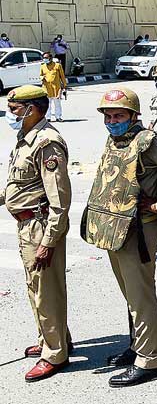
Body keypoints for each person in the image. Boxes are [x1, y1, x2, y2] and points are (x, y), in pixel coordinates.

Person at [82, 87, 157, 387]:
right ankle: (137, 346)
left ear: (133, 115)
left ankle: (149, 360)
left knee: (141, 296)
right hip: (114, 229)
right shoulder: (116, 139)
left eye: (119, 115)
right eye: (108, 115)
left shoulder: (148, 140)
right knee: (131, 295)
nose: (112, 120)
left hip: (139, 229)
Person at [2, 85, 72, 382]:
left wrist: (48, 241)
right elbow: (22, 184)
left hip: (41, 226)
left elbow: (60, 201)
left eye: (15, 109)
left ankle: (55, 354)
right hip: (26, 224)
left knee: (47, 292)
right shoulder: (26, 139)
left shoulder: (46, 142)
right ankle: (52, 338)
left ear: (33, 109)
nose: (10, 114)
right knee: (37, 288)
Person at [39, 53, 66, 122]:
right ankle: (48, 117)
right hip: (46, 88)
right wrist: (42, 78)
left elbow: (62, 76)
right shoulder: (42, 66)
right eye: (44, 58)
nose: (44, 59)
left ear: (50, 58)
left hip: (56, 88)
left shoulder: (57, 65)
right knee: (47, 104)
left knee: (57, 103)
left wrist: (64, 86)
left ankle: (58, 117)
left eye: (46, 58)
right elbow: (40, 75)